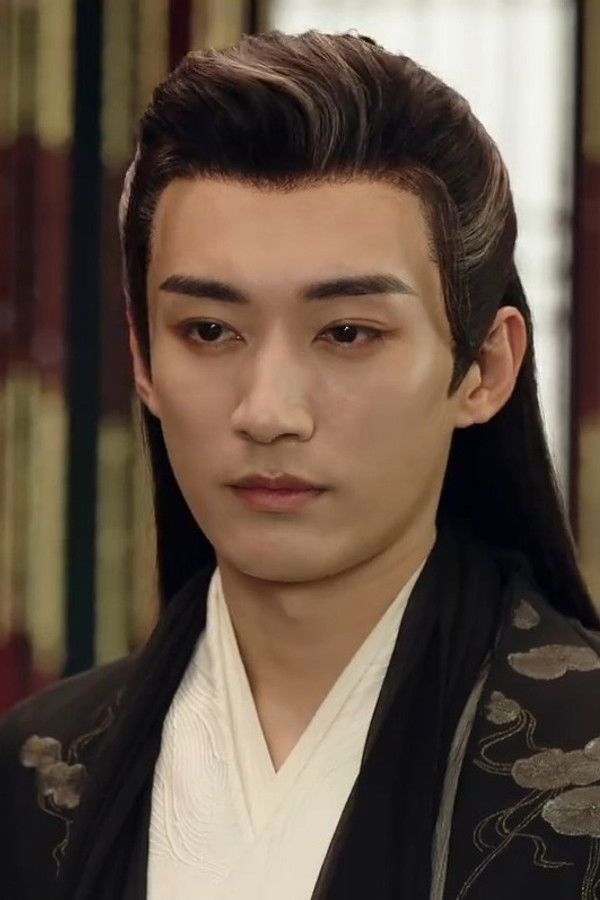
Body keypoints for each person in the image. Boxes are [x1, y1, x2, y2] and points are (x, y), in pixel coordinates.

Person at [1, 28, 599, 900]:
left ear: (484, 368)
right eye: (209, 331)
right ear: (142, 360)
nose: (268, 412)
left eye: (347, 333)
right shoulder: (34, 777)